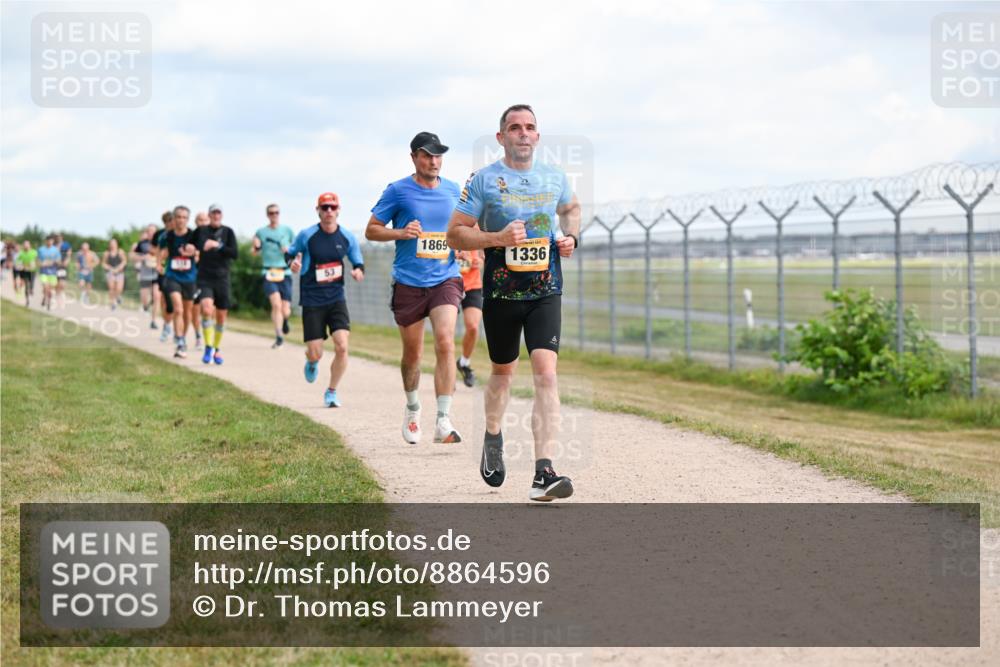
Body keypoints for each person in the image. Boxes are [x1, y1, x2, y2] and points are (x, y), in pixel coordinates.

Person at [447, 104, 581, 502]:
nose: (523, 133)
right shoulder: (484, 180)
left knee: (546, 374)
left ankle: (544, 472)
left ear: (537, 136)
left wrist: (571, 237)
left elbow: (570, 209)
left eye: (530, 127)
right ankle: (492, 435)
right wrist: (497, 239)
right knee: (503, 373)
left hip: (546, 289)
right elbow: (455, 234)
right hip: (501, 292)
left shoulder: (555, 177)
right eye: (515, 127)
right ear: (501, 137)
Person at [365, 131, 464, 445]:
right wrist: (401, 233)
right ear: (414, 158)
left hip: (445, 278)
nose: (433, 161)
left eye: (438, 156)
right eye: (427, 155)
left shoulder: (453, 190)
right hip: (408, 282)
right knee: (413, 354)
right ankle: (412, 408)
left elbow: (464, 228)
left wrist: (462, 246)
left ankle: (443, 420)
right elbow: (372, 230)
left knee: (445, 342)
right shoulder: (397, 191)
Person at [288, 192, 364, 407]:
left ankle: (331, 391)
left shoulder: (347, 237)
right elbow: (290, 253)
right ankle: (312, 361)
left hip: (336, 298)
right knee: (316, 353)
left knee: (342, 346)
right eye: (325, 207)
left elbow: (358, 261)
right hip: (312, 299)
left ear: (338, 210)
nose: (329, 211)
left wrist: (358, 271)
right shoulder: (307, 235)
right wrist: (292, 263)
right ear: (318, 211)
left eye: (332, 207)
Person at [192, 204, 238, 365]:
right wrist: (188, 248)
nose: (216, 215)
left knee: (221, 316)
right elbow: (190, 244)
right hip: (204, 277)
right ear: (209, 215)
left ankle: (216, 348)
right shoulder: (201, 231)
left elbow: (234, 253)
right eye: (213, 213)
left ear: (222, 215)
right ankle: (208, 346)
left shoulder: (228, 232)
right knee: (206, 309)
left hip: (222, 278)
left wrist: (218, 245)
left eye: (219, 213)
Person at [158, 206, 199, 358]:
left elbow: (199, 254)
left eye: (184, 217)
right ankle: (180, 341)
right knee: (178, 309)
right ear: (174, 219)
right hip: (172, 276)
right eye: (178, 217)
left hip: (190, 278)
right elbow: (162, 252)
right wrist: (159, 264)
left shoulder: (194, 235)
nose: (181, 220)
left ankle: (182, 337)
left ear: (188, 219)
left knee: (187, 312)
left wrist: (193, 253)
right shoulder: (167, 236)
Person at [253, 203, 295, 348]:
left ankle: (285, 320)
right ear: (267, 215)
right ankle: (279, 336)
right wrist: (256, 246)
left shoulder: (287, 231)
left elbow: (297, 249)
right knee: (276, 305)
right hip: (269, 272)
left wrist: (288, 250)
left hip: (285, 272)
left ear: (279, 213)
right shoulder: (261, 232)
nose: (274, 215)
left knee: (285, 310)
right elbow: (255, 251)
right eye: (271, 213)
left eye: (276, 212)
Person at [455, 249, 485, 387]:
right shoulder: (443, 233)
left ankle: (464, 363)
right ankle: (446, 370)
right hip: (448, 284)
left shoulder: (478, 234)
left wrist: (480, 261)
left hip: (472, 286)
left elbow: (483, 255)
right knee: (446, 331)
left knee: (473, 327)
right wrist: (455, 257)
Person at [131, 225, 161, 329]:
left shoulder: (161, 242)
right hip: (145, 274)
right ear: (147, 233)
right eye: (149, 231)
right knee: (144, 298)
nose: (151, 233)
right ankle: (145, 306)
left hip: (157, 274)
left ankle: (154, 321)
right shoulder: (142, 244)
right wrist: (143, 257)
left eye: (153, 231)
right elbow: (133, 256)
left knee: (157, 296)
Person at [153, 211, 174, 342]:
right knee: (166, 301)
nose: (170, 224)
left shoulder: (183, 234)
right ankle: (166, 325)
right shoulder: (162, 236)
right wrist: (158, 264)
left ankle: (175, 329)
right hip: (164, 272)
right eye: (167, 222)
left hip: (178, 272)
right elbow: (158, 251)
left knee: (176, 302)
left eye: (171, 221)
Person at [37, 236, 62, 311]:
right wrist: (41, 264)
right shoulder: (41, 249)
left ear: (53, 241)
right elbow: (37, 260)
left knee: (50, 289)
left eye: (51, 241)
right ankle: (45, 297)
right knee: (45, 287)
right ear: (46, 241)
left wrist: (53, 262)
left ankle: (48, 300)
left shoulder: (56, 250)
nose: (49, 242)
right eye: (48, 241)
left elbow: (59, 261)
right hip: (43, 271)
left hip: (53, 272)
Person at [102, 238, 127, 310]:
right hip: (110, 272)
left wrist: (119, 268)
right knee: (111, 288)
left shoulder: (120, 252)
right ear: (109, 245)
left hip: (120, 272)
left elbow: (124, 261)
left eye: (114, 243)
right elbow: (103, 263)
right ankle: (112, 303)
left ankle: (118, 297)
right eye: (111, 243)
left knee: (119, 288)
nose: (113, 245)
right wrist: (110, 268)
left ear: (117, 244)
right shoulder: (106, 253)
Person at [16, 240, 38, 307]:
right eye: (24, 245)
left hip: (32, 271)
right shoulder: (21, 253)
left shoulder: (34, 252)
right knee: (26, 285)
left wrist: (34, 265)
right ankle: (27, 300)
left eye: (27, 244)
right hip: (25, 271)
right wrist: (21, 266)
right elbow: (17, 262)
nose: (25, 246)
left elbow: (37, 260)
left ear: (29, 245)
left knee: (31, 284)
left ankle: (31, 289)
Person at [55, 233, 72, 308]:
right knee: (57, 282)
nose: (58, 238)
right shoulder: (54, 245)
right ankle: (58, 296)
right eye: (57, 237)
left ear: (62, 237)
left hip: (63, 266)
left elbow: (69, 254)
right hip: (56, 266)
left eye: (59, 237)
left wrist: (67, 261)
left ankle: (60, 294)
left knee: (62, 283)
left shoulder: (66, 244)